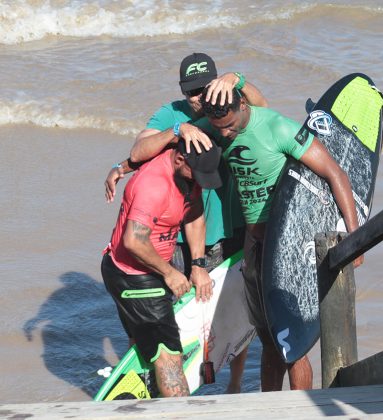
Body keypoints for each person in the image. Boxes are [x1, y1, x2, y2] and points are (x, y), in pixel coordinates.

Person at [103, 52, 267, 393]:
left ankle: (234, 383)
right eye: (191, 92)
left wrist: (235, 80)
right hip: (179, 234)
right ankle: (161, 367)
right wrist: (177, 130)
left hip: (228, 227)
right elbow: (140, 149)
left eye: (204, 89)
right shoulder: (172, 113)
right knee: (171, 310)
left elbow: (263, 109)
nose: (198, 99)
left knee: (234, 309)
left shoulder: (228, 102)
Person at [200, 87, 364, 392]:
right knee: (269, 341)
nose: (225, 133)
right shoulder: (217, 127)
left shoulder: (276, 127)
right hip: (254, 246)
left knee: (292, 344)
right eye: (218, 127)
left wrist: (356, 237)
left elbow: (336, 173)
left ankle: (301, 411)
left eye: (229, 124)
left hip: (286, 248)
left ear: (243, 105)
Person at [101, 139, 221, 397]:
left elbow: (194, 213)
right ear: (179, 160)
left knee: (146, 347)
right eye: (197, 175)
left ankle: (150, 398)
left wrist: (198, 265)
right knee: (168, 356)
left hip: (148, 270)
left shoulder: (189, 174)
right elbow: (133, 240)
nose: (200, 182)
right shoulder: (154, 186)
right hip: (134, 276)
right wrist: (169, 272)